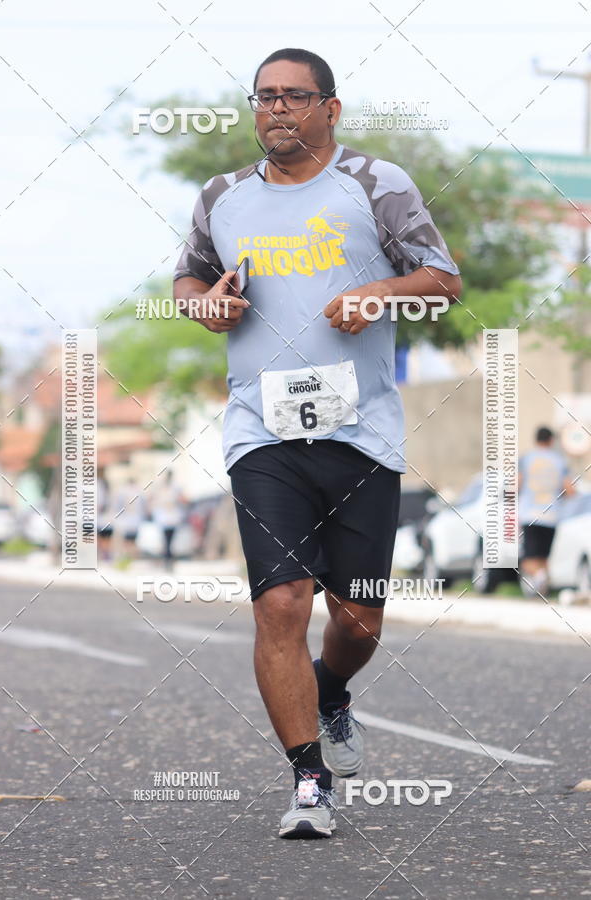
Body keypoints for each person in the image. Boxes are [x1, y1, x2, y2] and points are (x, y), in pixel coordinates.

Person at [173, 48, 461, 839]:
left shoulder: (377, 184)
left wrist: (378, 291)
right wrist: (205, 308)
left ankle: (332, 690)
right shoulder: (223, 196)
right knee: (280, 605)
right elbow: (188, 282)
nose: (277, 111)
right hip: (259, 430)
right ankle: (308, 783)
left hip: (360, 431)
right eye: (265, 97)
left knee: (359, 619)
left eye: (295, 98)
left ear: (329, 110)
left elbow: (442, 276)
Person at [519, 426, 575, 596]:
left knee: (528, 559)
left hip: (530, 515)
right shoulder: (560, 461)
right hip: (551, 516)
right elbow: (570, 490)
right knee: (543, 557)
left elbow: (516, 485)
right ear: (551, 441)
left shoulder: (527, 459)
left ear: (536, 439)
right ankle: (541, 591)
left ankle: (540, 578)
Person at [149, 471, 185, 570]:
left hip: (172, 516)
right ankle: (167, 558)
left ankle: (168, 558)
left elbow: (182, 499)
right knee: (167, 540)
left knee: (169, 540)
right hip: (165, 517)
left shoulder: (175, 487)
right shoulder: (162, 488)